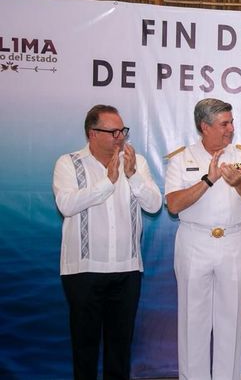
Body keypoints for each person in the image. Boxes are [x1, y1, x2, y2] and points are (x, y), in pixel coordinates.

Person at [165, 98, 241, 380]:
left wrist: (240, 183)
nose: (231, 129)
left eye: (232, 122)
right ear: (205, 126)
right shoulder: (182, 158)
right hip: (193, 243)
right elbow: (173, 205)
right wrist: (207, 181)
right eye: (224, 123)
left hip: (233, 243)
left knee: (231, 321)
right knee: (192, 322)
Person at [53, 104, 162, 380]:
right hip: (83, 270)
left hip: (126, 269)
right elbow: (66, 205)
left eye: (122, 130)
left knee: (119, 349)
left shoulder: (136, 163)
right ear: (92, 133)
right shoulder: (69, 163)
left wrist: (132, 174)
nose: (120, 137)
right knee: (85, 347)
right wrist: (108, 182)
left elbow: (154, 205)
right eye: (113, 131)